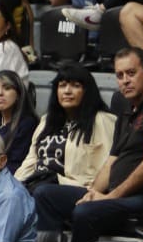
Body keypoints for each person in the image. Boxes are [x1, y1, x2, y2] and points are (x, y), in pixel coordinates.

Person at [33, 47, 143, 242]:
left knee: (85, 212)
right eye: (120, 75)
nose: (125, 81)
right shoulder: (126, 107)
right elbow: (112, 160)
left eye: (131, 73)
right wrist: (92, 192)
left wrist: (109, 197)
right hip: (117, 196)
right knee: (45, 195)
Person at [15, 62, 116, 197]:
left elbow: (109, 165)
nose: (67, 91)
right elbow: (31, 160)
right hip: (38, 185)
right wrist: (13, 185)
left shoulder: (102, 120)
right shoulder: (46, 121)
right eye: (62, 85)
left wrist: (93, 192)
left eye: (75, 86)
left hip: (78, 189)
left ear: (87, 91)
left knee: (42, 191)